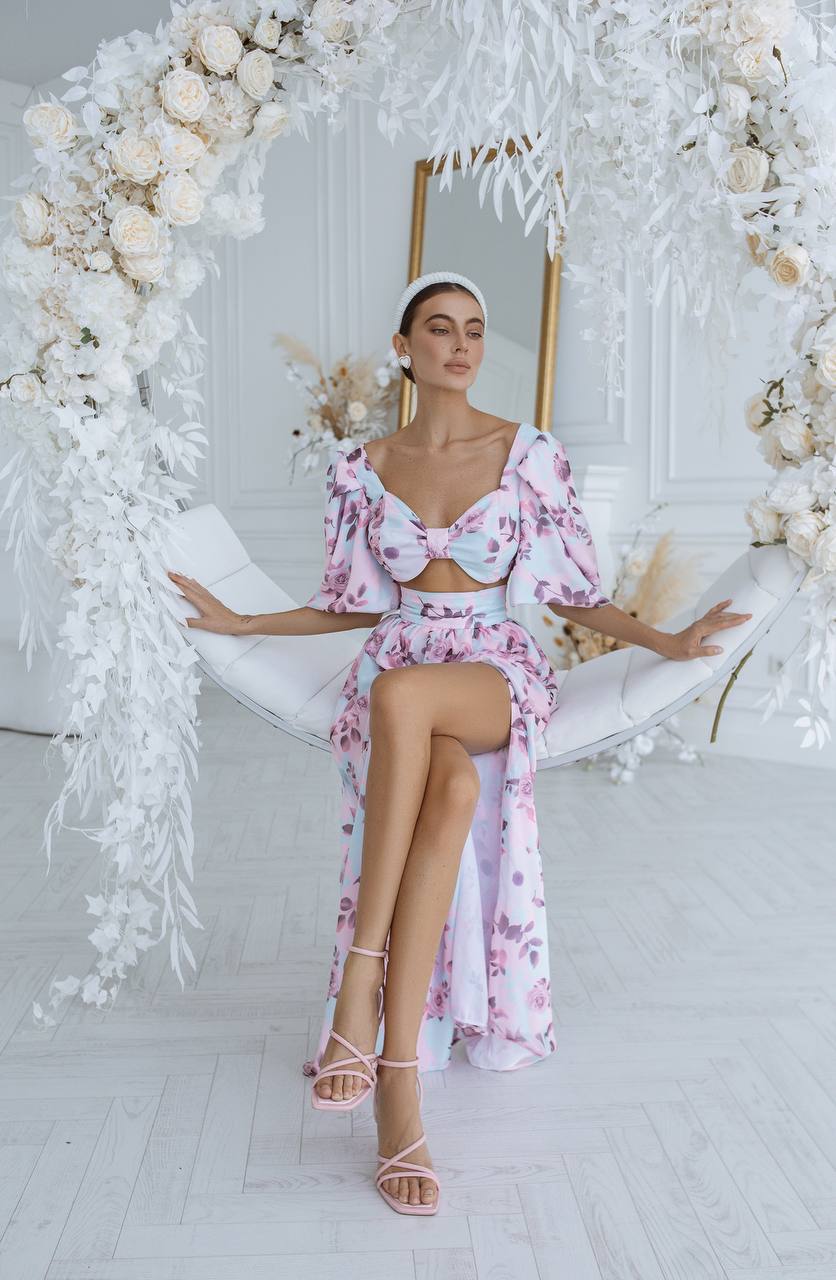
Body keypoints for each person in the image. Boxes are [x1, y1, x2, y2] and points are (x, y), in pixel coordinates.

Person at [167, 269, 752, 1216]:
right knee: (447, 793)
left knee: (401, 696)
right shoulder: (359, 469)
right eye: (439, 329)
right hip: (401, 662)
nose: (461, 344)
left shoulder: (528, 456)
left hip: (494, 668)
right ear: (405, 349)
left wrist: (667, 640)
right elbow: (346, 605)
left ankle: (358, 987)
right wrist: (242, 621)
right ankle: (399, 1084)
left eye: (474, 329)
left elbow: (571, 595)